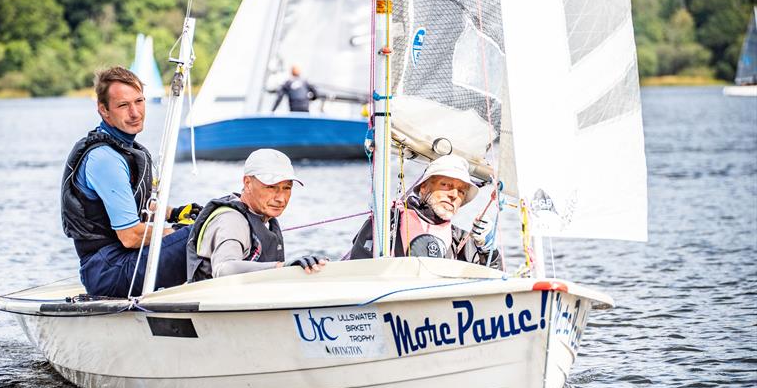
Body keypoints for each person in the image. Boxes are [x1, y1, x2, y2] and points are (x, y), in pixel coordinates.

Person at [61, 66, 200, 298]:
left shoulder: (127, 150)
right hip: (110, 270)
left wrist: (175, 213)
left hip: (123, 262)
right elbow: (130, 235)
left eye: (139, 101)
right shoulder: (105, 159)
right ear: (104, 110)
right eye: (123, 105)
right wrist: (176, 230)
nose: (135, 113)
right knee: (209, 230)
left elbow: (138, 206)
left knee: (215, 216)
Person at [187, 148, 327, 281]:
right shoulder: (231, 220)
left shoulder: (263, 217)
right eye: (271, 187)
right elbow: (224, 269)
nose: (281, 198)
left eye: (287, 188)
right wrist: (282, 267)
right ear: (247, 183)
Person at [348, 155, 499, 265]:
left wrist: (489, 251)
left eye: (461, 191)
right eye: (446, 185)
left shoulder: (460, 240)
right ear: (424, 188)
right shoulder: (387, 223)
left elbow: (494, 286)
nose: (454, 195)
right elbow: (356, 271)